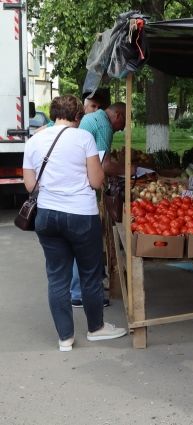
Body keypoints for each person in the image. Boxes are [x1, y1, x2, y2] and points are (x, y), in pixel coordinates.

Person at [22, 95, 127, 352]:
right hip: (81, 214)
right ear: (78, 115)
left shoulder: (34, 141)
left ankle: (65, 338)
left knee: (57, 277)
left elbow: (29, 185)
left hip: (47, 215)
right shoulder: (83, 138)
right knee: (90, 273)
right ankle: (96, 328)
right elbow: (95, 181)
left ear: (54, 113)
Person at [69, 101, 127, 308]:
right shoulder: (104, 125)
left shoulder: (93, 117)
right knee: (85, 242)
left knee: (78, 243)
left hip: (70, 191)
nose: (123, 128)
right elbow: (105, 165)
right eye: (124, 122)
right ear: (118, 115)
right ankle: (78, 292)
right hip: (83, 191)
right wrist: (130, 169)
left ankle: (81, 286)